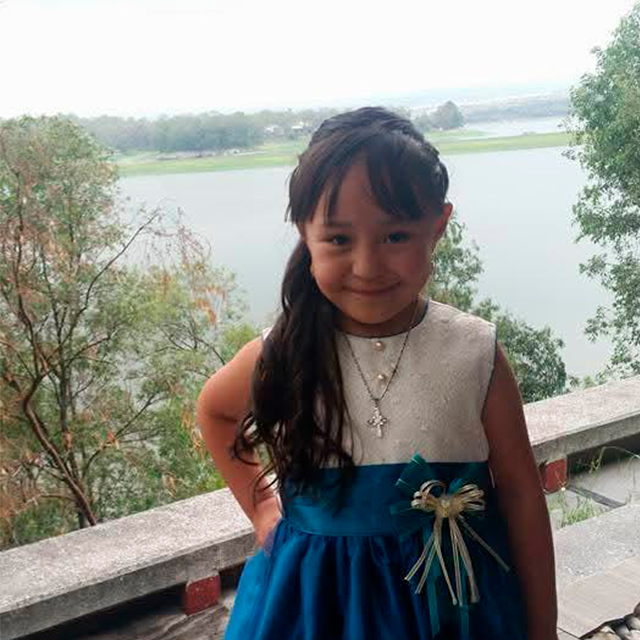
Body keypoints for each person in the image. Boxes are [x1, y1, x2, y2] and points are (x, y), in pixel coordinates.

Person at [196, 107, 558, 640]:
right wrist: (262, 509)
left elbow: (522, 496)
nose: (367, 266)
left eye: (396, 236)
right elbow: (215, 411)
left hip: (453, 606)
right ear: (304, 232)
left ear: (438, 226)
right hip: (313, 606)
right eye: (339, 240)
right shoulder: (285, 352)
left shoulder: (474, 353)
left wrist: (542, 628)